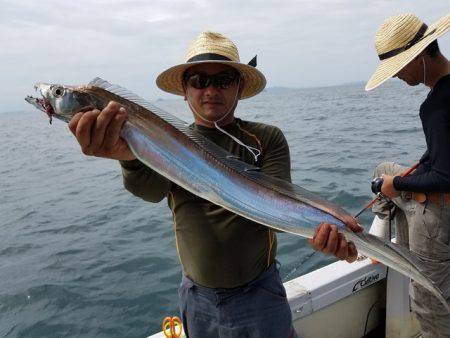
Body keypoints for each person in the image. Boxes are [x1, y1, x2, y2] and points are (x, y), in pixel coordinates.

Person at [365, 13, 450, 338]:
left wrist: (396, 185)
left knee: (430, 306)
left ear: (418, 56)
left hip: (441, 214)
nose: (397, 75)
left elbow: (444, 175)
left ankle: (384, 241)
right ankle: (381, 236)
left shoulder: (435, 106)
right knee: (383, 170)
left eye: (398, 66)